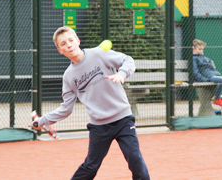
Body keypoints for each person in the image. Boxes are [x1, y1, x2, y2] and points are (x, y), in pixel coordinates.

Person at [32, 26, 150, 180]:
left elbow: (128, 60)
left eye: (71, 40)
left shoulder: (99, 54)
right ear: (60, 51)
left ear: (78, 41)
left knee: (134, 158)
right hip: (99, 126)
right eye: (63, 44)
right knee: (91, 166)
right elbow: (66, 108)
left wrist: (122, 73)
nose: (68, 45)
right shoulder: (68, 76)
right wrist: (42, 121)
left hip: (123, 119)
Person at [193, 39, 222, 107]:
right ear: (193, 49)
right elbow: (195, 73)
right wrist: (204, 80)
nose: (201, 51)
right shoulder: (194, 59)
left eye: (202, 49)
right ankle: (217, 99)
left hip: (216, 75)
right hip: (209, 77)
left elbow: (213, 69)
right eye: (199, 49)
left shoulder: (206, 58)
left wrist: (217, 74)